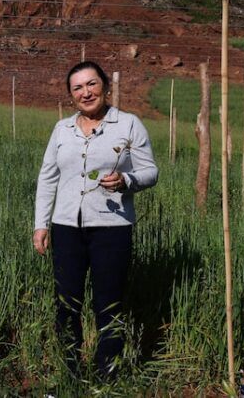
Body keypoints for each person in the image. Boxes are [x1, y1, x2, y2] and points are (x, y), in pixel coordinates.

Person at [32, 61, 158, 380]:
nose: (85, 92)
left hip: (111, 230)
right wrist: (41, 224)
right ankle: (69, 374)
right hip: (66, 229)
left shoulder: (128, 125)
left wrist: (127, 181)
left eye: (91, 84)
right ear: (70, 95)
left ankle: (108, 376)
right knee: (66, 304)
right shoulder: (62, 129)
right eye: (77, 87)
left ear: (105, 86)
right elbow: (48, 178)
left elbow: (150, 172)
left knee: (108, 304)